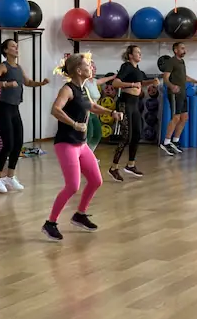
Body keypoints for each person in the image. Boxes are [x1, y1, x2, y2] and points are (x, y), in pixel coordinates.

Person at [42, 53, 122, 242]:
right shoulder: (67, 89)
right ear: (79, 70)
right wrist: (74, 124)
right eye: (88, 65)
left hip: (81, 144)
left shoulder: (84, 88)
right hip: (66, 143)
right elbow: (55, 109)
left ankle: (79, 215)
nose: (91, 67)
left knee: (96, 180)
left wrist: (111, 112)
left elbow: (92, 107)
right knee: (72, 186)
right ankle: (50, 223)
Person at [0, 39, 49, 194]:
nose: (16, 48)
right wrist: (6, 84)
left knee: (18, 143)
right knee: (8, 144)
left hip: (14, 109)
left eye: (17, 46)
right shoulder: (3, 67)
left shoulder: (19, 67)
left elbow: (27, 82)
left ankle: (10, 176)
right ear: (6, 50)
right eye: (13, 46)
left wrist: (41, 83)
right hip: (3, 109)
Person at [109, 45, 159, 182]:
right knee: (126, 136)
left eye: (140, 52)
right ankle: (113, 167)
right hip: (125, 103)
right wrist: (131, 84)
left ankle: (130, 165)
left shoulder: (137, 70)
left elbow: (140, 83)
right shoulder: (126, 66)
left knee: (136, 134)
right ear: (130, 55)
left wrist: (152, 82)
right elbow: (116, 83)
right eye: (137, 52)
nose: (140, 54)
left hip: (135, 104)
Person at [160, 42, 197, 156]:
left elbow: (184, 77)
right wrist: (171, 86)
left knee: (184, 118)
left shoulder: (182, 62)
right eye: (182, 48)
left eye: (185, 48)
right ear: (176, 50)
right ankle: (166, 142)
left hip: (183, 93)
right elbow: (165, 77)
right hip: (174, 94)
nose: (185, 50)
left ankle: (175, 141)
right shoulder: (171, 61)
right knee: (176, 117)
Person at [85, 61, 117, 153]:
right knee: (88, 135)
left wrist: (114, 76)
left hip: (94, 113)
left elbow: (104, 80)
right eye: (92, 67)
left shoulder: (94, 81)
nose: (95, 69)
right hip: (86, 113)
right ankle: (82, 156)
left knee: (97, 135)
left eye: (95, 67)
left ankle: (89, 154)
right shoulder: (84, 82)